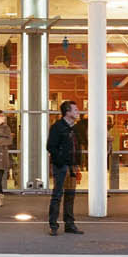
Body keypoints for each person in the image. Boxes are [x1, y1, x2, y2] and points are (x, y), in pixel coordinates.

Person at [46, 101, 84, 236]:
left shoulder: (75, 127)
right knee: (57, 195)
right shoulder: (57, 127)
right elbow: (51, 147)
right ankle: (53, 225)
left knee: (70, 196)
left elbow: (79, 145)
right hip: (61, 166)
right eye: (75, 109)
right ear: (67, 112)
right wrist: (60, 161)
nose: (78, 112)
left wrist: (77, 164)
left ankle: (69, 224)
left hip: (73, 166)